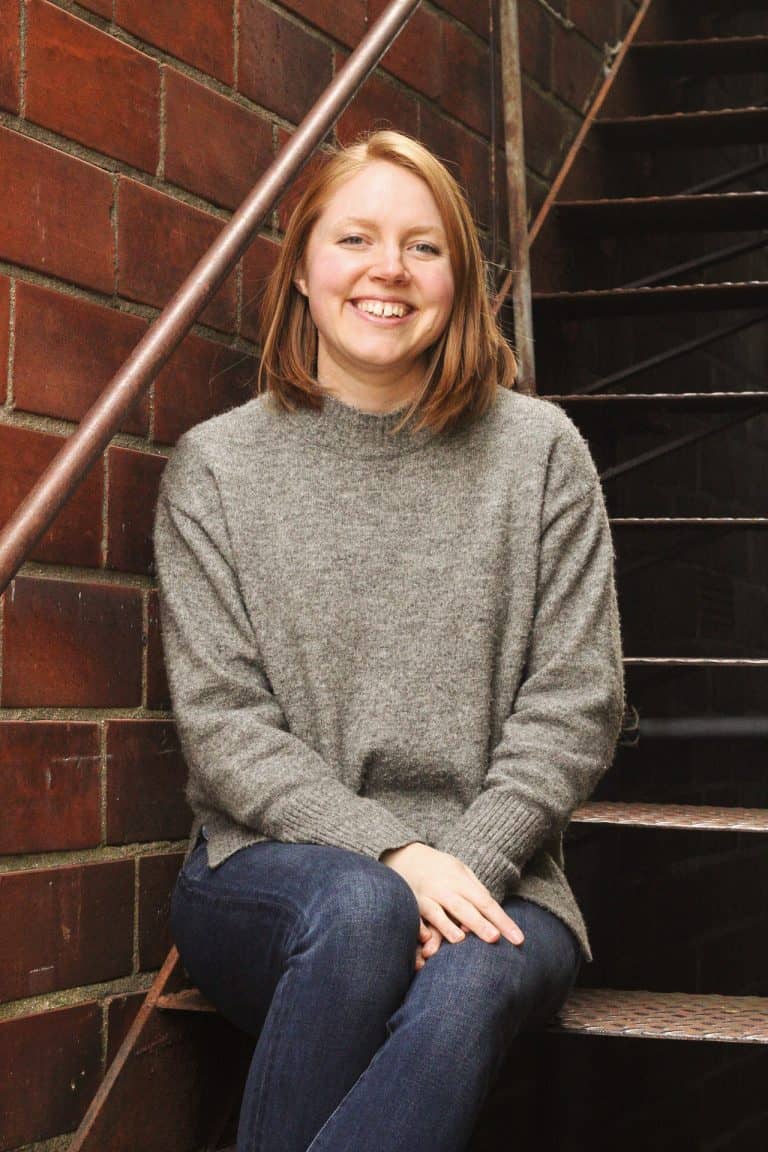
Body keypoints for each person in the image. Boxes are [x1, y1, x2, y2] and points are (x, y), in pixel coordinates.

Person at [154, 130, 625, 1152]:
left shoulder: (539, 453)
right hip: (271, 869)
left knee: (467, 982)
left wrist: (461, 864)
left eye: (423, 247)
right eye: (355, 238)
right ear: (302, 269)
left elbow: (576, 704)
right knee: (364, 909)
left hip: (498, 879)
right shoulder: (217, 469)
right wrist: (391, 856)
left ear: (458, 280)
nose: (389, 270)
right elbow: (226, 727)